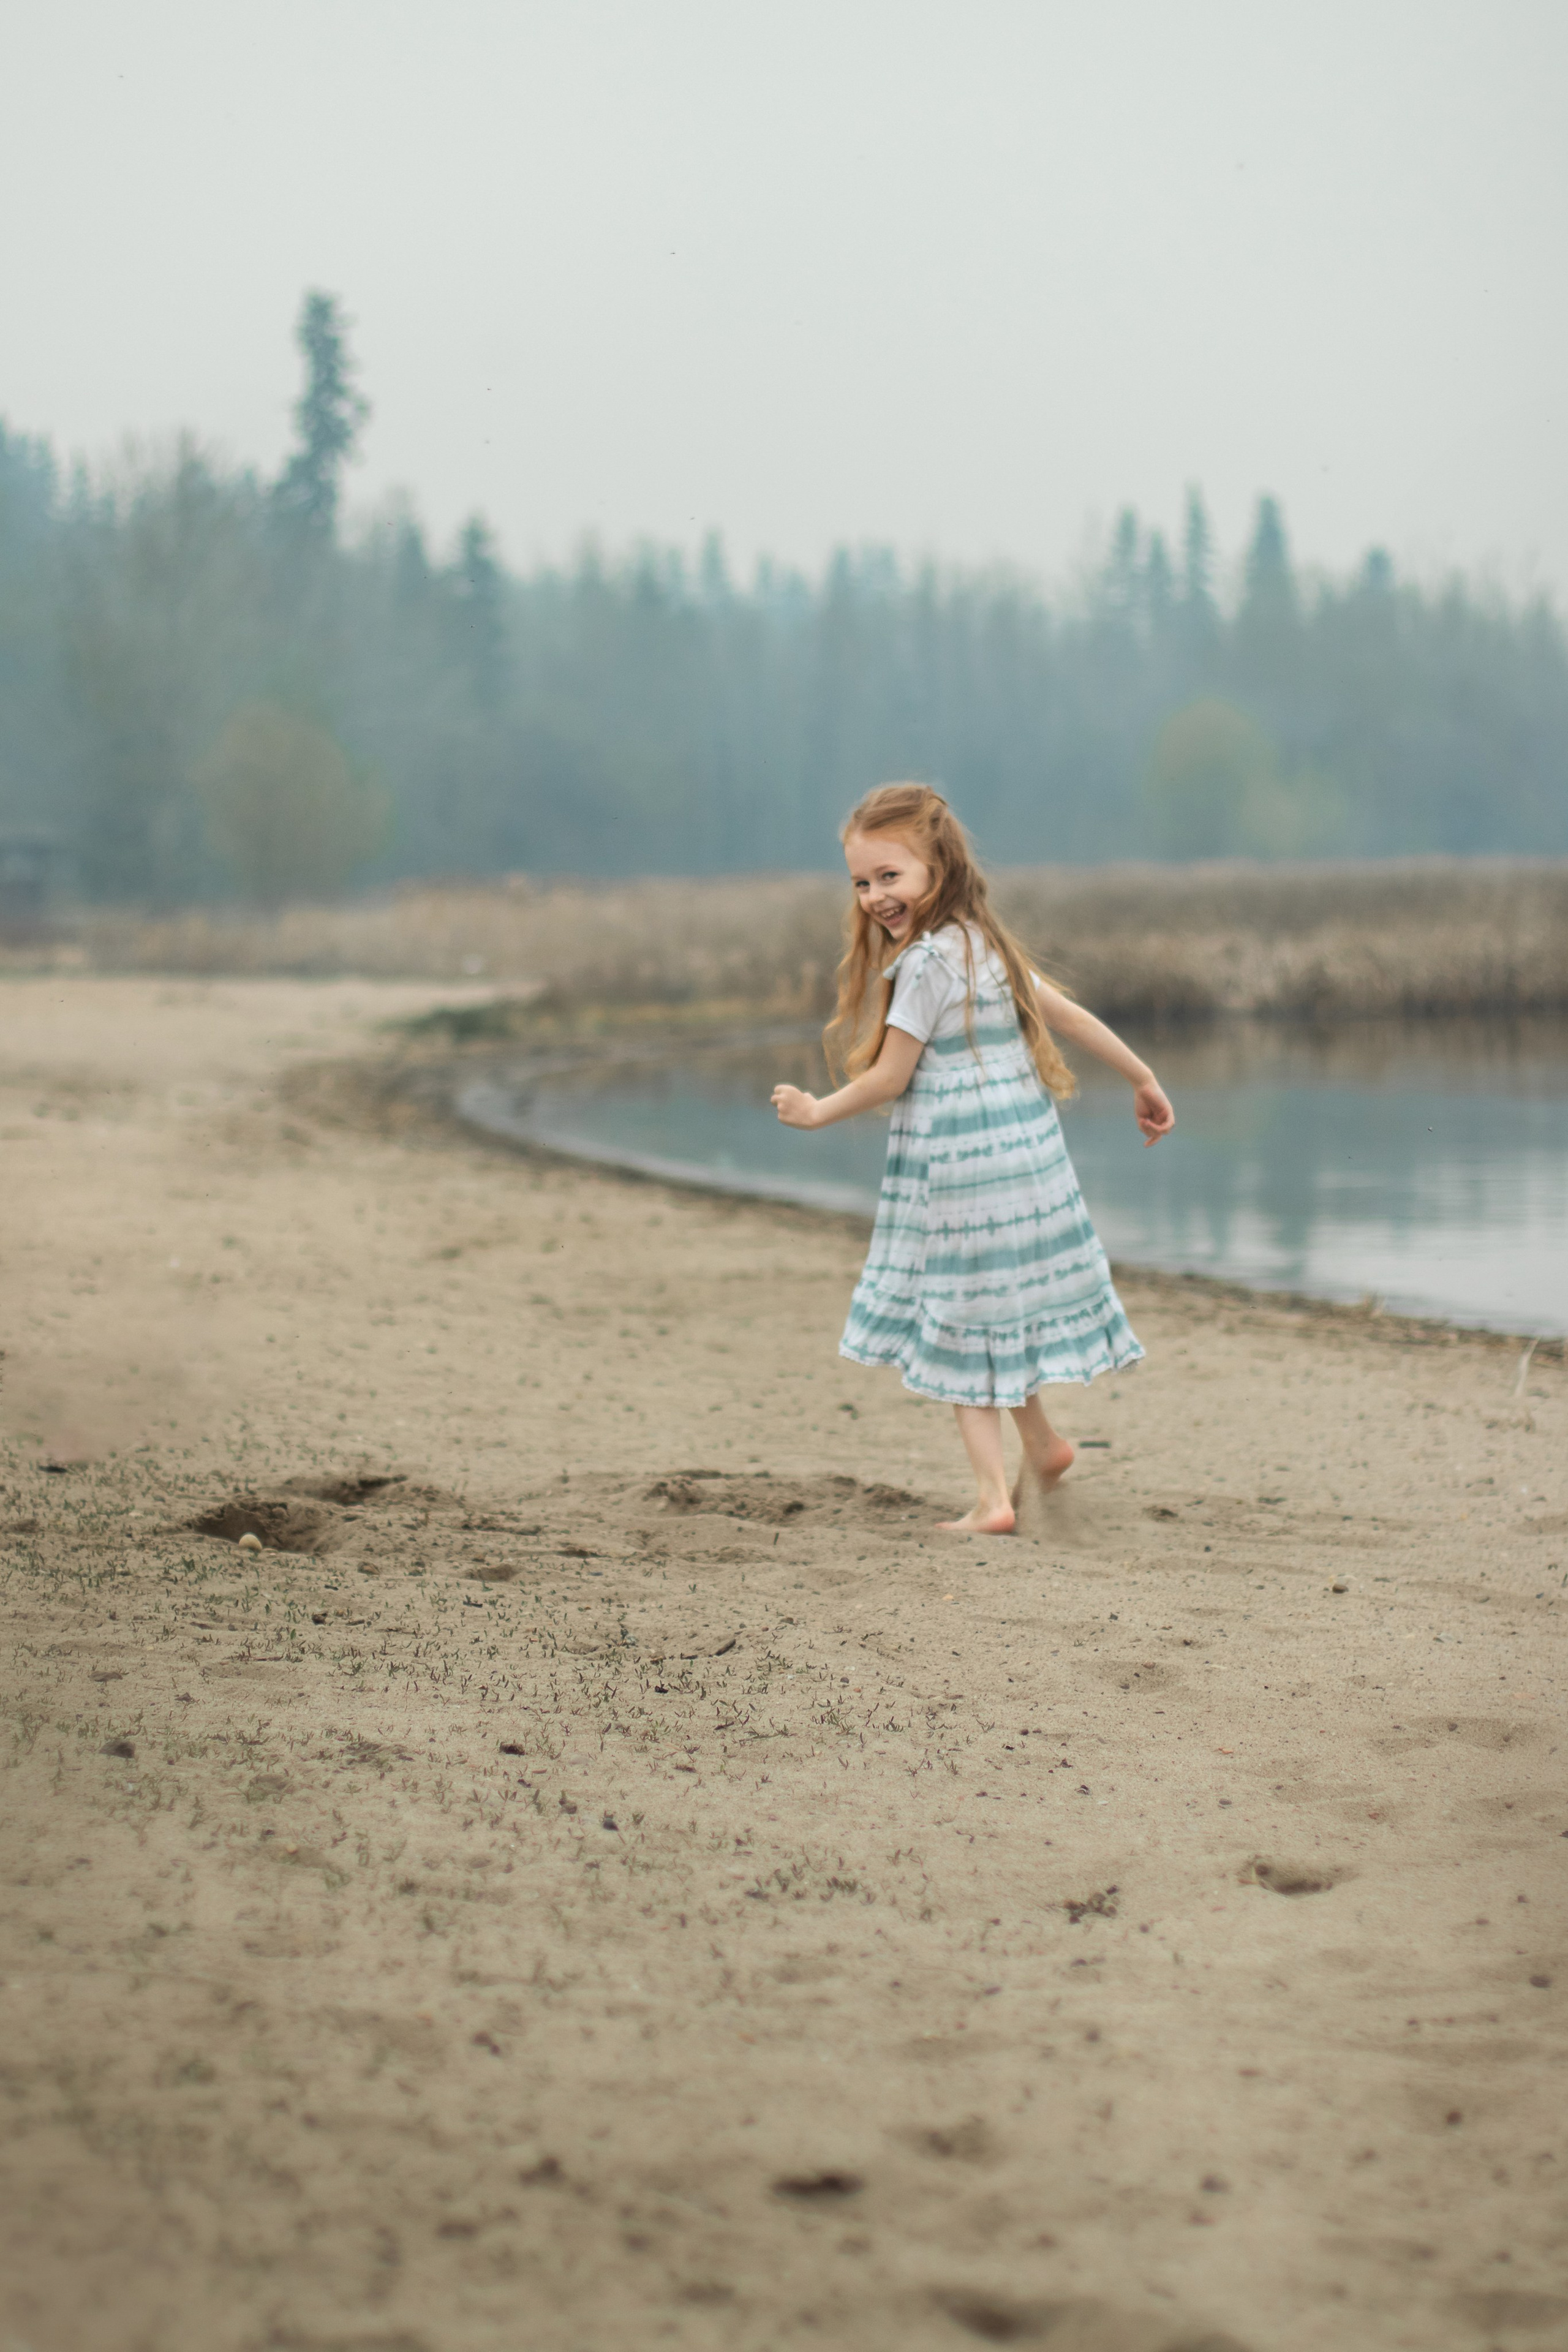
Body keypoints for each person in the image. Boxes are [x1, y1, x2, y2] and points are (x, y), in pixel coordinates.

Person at [772, 783, 1174, 1536]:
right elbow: (1072, 1016)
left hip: (961, 1166)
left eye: (890, 877)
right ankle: (1045, 1447)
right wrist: (1143, 1077)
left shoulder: (924, 965)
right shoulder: (985, 945)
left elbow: (890, 1078)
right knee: (997, 1309)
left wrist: (816, 1111)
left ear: (939, 867)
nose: (873, 897)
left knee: (960, 1321)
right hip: (1025, 1158)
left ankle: (992, 1500)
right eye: (861, 882)